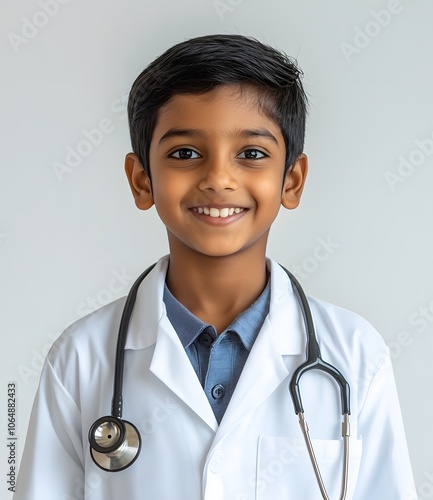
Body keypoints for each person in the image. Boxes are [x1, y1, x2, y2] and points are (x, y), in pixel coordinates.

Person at [14, 34, 415, 499]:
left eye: (252, 154)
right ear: (142, 181)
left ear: (292, 180)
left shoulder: (355, 355)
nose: (219, 178)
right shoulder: (81, 359)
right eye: (185, 153)